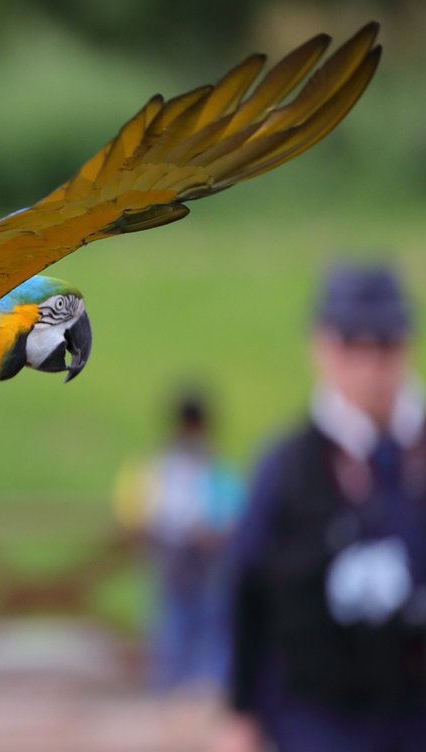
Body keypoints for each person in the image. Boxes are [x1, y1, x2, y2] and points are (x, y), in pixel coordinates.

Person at [218, 263, 426, 752]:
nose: (371, 367)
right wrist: (240, 713)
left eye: (386, 345)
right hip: (319, 715)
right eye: (354, 346)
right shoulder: (288, 468)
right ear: (323, 347)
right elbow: (247, 587)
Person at [115, 390, 245, 692]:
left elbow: (134, 512)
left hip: (199, 560)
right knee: (182, 627)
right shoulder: (194, 468)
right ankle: (183, 692)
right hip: (178, 559)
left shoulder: (162, 468)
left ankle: (192, 691)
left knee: (197, 626)